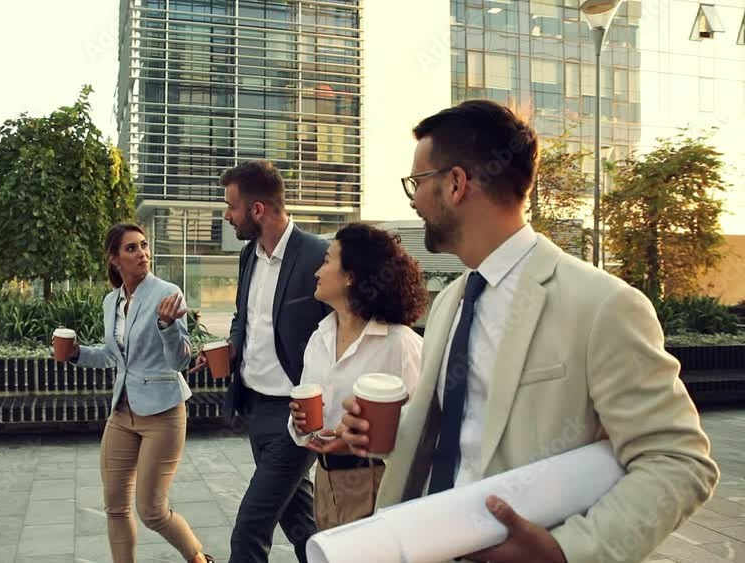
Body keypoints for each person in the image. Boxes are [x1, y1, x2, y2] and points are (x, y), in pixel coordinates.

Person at [336, 100, 719, 563]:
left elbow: (679, 461)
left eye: (418, 183)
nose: (414, 200)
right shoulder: (451, 302)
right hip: (424, 543)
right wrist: (385, 435)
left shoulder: (602, 305)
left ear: (455, 184)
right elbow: (461, 433)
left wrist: (566, 551)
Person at [194, 160, 329, 563]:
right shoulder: (249, 255)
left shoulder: (318, 255)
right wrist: (232, 346)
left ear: (256, 210)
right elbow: (244, 317)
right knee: (301, 524)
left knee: (250, 527)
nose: (226, 214)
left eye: (231, 206)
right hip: (256, 407)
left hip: (296, 412)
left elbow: (340, 330)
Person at [66, 223, 214, 563]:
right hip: (122, 413)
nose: (142, 253)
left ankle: (199, 559)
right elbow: (113, 357)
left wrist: (165, 327)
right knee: (115, 506)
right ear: (114, 259)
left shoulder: (167, 293)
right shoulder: (111, 302)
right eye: (131, 248)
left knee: (151, 511)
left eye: (144, 246)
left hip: (163, 413)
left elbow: (180, 360)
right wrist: (76, 353)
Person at [287, 223, 426, 531]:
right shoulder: (319, 338)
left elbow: (425, 431)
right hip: (324, 483)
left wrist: (356, 444)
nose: (316, 273)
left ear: (351, 276)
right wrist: (299, 426)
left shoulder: (401, 344)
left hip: (377, 484)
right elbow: (308, 421)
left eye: (326, 261)